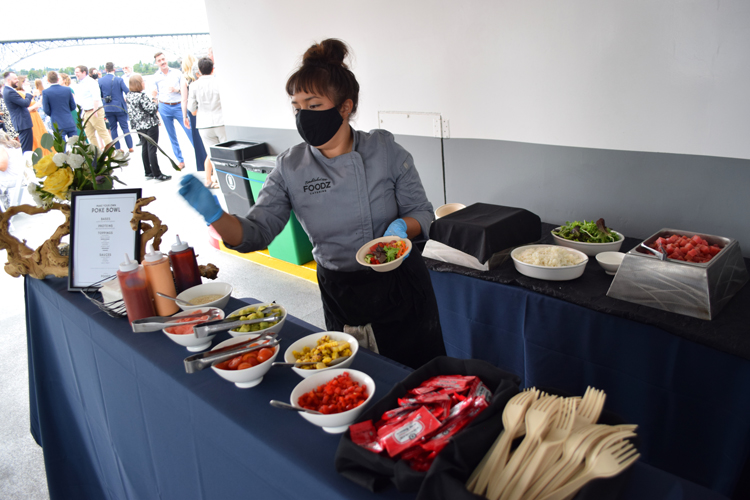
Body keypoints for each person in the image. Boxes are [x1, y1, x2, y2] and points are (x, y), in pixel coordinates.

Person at [178, 39, 446, 369]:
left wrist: (403, 227)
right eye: (297, 107)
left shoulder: (385, 151)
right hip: (340, 291)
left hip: (400, 286)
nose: (303, 115)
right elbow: (256, 233)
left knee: (418, 374)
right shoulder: (291, 167)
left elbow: (422, 211)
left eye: (314, 105)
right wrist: (215, 214)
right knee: (355, 376)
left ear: (345, 107)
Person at [187, 57, 224, 188]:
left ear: (199, 70)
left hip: (204, 124)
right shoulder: (219, 82)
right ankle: (229, 181)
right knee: (227, 154)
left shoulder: (194, 86)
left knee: (212, 155)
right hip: (221, 121)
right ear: (213, 69)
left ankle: (219, 181)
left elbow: (191, 107)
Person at [125, 74, 170, 182]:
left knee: (145, 148)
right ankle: (157, 173)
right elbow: (152, 109)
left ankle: (148, 171)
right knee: (152, 149)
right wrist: (154, 98)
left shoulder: (129, 95)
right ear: (139, 84)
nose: (144, 83)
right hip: (149, 125)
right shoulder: (142, 96)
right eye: (142, 82)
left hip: (139, 126)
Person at [152, 51, 192, 169]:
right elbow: (154, 95)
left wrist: (176, 90)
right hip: (164, 107)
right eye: (159, 61)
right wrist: (156, 110)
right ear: (156, 63)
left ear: (166, 59)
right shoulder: (155, 77)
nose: (162, 62)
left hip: (179, 105)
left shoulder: (177, 73)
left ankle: (202, 157)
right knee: (171, 135)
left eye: (163, 59)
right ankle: (180, 160)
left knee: (189, 131)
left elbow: (185, 91)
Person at [180, 54, 208, 177]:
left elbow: (184, 100)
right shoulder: (200, 76)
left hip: (193, 111)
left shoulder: (185, 79)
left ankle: (203, 166)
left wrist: (184, 116)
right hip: (204, 108)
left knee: (199, 139)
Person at [74, 65, 111, 148]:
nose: (76, 74)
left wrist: (95, 110)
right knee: (89, 134)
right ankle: (97, 153)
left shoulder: (91, 82)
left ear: (84, 72)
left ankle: (111, 152)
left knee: (102, 133)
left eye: (77, 72)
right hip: (86, 112)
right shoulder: (80, 83)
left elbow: (96, 97)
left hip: (94, 110)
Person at [99, 62, 133, 152]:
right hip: (119, 107)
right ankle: (130, 147)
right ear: (114, 69)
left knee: (113, 128)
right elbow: (127, 91)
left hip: (108, 108)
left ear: (105, 70)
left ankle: (118, 148)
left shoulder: (100, 81)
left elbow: (100, 95)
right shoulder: (119, 80)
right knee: (125, 127)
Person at [3, 72, 34, 152]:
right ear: (9, 80)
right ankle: (26, 160)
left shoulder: (8, 90)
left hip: (22, 123)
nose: (17, 80)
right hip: (22, 123)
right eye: (15, 79)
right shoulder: (9, 92)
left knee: (27, 146)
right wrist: (28, 93)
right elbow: (25, 103)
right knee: (26, 148)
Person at [42, 71, 78, 140]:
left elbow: (46, 110)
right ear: (58, 79)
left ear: (48, 80)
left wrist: (53, 114)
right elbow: (73, 106)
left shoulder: (46, 92)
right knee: (75, 143)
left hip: (57, 122)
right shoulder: (67, 89)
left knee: (61, 145)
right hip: (69, 121)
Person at [0, 131, 24, 210]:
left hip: (9, 180)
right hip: (19, 178)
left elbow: (3, 167)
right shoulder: (13, 145)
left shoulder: (1, 148)